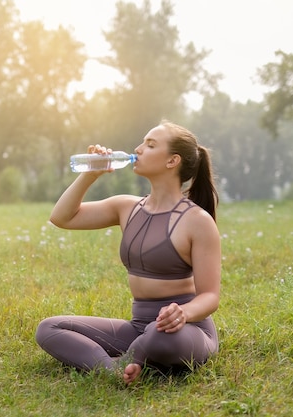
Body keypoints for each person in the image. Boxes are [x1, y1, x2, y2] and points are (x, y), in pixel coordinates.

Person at [35, 120, 221, 385]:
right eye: (142, 142)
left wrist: (184, 313)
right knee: (49, 328)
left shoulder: (197, 221)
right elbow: (62, 217)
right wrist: (90, 173)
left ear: (172, 161)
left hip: (183, 329)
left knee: (158, 335)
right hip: (138, 326)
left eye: (150, 144)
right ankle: (114, 368)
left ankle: (130, 359)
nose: (138, 149)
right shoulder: (126, 207)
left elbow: (210, 297)